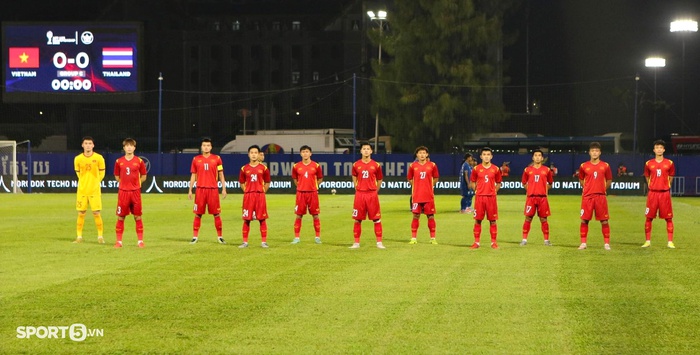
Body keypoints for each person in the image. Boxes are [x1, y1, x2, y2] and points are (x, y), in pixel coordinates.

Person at [188, 138, 227, 244]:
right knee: (198, 214)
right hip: (200, 190)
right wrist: (190, 189)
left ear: (211, 147)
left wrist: (224, 188)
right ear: (201, 147)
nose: (206, 147)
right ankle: (195, 237)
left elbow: (221, 174)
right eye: (204, 145)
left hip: (213, 190)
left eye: (208, 145)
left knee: (216, 214)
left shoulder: (217, 159)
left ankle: (220, 236)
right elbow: (193, 175)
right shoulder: (196, 159)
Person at [577, 142, 613, 250]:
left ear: (600, 152)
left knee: (604, 220)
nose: (594, 153)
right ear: (589, 152)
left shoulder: (605, 165)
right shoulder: (584, 166)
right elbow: (581, 179)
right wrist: (588, 188)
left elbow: (609, 180)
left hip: (600, 197)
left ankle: (606, 243)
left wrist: (602, 189)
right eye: (592, 151)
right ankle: (583, 243)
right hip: (587, 197)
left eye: (596, 151)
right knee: (584, 220)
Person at [350, 142, 385, 249]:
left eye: (368, 149)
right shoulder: (356, 165)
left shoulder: (376, 165)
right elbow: (354, 176)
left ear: (371, 151)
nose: (366, 150)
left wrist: (375, 190)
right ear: (360, 151)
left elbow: (379, 179)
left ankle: (379, 242)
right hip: (360, 194)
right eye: (364, 149)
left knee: (376, 219)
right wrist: (357, 187)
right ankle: (356, 243)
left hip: (372, 194)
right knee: (357, 219)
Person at [113, 138, 147, 248]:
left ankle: (140, 241)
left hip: (135, 193)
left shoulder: (139, 161)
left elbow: (144, 176)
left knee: (137, 216)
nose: (129, 147)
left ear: (134, 148)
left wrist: (136, 184)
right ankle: (119, 242)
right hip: (123, 193)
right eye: (126, 146)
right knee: (121, 217)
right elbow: (117, 177)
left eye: (131, 146)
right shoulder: (119, 161)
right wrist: (125, 185)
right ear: (124, 148)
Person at [642, 140, 676, 249]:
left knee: (669, 218)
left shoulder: (669, 163)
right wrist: (652, 185)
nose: (659, 149)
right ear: (654, 150)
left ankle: (670, 242)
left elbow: (671, 177)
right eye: (657, 148)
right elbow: (647, 177)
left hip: (664, 194)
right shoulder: (649, 163)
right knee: (648, 218)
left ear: (664, 150)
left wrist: (666, 186)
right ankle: (647, 241)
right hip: (652, 194)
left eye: (661, 147)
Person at [73, 136, 106, 244]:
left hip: (94, 190)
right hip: (82, 190)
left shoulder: (99, 158)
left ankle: (100, 236)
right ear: (82, 145)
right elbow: (78, 172)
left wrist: (96, 182)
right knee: (81, 212)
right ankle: (79, 236)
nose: (88, 145)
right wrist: (84, 182)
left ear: (93, 145)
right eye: (86, 143)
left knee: (96, 212)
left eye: (90, 143)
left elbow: (102, 172)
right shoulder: (78, 159)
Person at [469, 147, 502, 249]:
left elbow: (499, 183)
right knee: (478, 220)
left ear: (491, 156)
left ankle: (493, 243)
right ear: (481, 156)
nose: (486, 156)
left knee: (492, 220)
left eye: (488, 154)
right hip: (480, 198)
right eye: (484, 154)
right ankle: (476, 242)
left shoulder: (496, 169)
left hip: (491, 198)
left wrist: (493, 191)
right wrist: (477, 191)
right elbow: (472, 182)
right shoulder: (476, 169)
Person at [239, 145, 271, 248]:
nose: (253, 155)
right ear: (248, 154)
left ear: (258, 154)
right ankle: (245, 242)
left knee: (262, 219)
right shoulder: (244, 168)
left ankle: (263, 242)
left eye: (255, 153)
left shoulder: (264, 168)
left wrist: (262, 192)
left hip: (260, 196)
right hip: (248, 196)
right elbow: (242, 182)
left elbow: (267, 182)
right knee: (246, 219)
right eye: (251, 153)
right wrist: (247, 191)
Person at [520, 149, 554, 246]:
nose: (537, 157)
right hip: (531, 198)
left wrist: (542, 189)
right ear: (533, 157)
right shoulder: (527, 170)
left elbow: (550, 183)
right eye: (536, 155)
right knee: (528, 218)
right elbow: (523, 183)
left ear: (542, 158)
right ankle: (524, 239)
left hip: (542, 198)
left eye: (539, 155)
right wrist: (531, 190)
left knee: (544, 219)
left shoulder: (547, 170)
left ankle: (546, 240)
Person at [291, 145, 323, 244]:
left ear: (310, 153)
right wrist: (301, 186)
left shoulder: (316, 166)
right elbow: (295, 179)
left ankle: (317, 237)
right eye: (303, 152)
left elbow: (320, 178)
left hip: (313, 193)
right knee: (299, 215)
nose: (305, 153)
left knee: (315, 215)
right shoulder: (296, 166)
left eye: (307, 151)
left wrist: (313, 186)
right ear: (301, 154)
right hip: (301, 193)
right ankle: (297, 237)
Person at [407, 146, 440, 244]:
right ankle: (413, 238)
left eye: (424, 153)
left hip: (428, 196)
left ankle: (433, 238)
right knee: (415, 216)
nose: (422, 154)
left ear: (427, 154)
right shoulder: (413, 166)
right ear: (417, 155)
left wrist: (429, 186)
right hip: (417, 196)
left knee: (430, 216)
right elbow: (409, 178)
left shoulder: (432, 165)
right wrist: (417, 186)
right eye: (420, 153)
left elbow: (436, 178)